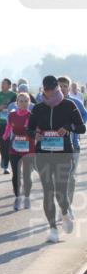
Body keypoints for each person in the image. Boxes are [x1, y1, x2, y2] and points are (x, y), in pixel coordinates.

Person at [29, 75, 85, 243]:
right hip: (43, 155)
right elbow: (29, 129)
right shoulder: (38, 108)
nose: (52, 94)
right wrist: (35, 135)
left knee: (61, 191)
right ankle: (53, 228)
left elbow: (81, 128)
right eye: (48, 91)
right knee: (48, 191)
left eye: (54, 91)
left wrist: (67, 127)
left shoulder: (69, 105)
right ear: (44, 91)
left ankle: (65, 212)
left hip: (63, 154)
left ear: (58, 89)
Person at [57, 76, 86, 208]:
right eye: (60, 86)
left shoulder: (76, 102)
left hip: (73, 145)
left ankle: (68, 204)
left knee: (70, 176)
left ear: (69, 87)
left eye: (64, 86)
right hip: (55, 146)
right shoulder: (51, 103)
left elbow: (84, 117)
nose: (62, 88)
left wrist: (72, 127)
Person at [4, 92, 35, 210]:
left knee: (27, 175)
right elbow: (8, 127)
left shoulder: (32, 116)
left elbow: (36, 129)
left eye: (26, 101)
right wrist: (5, 136)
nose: (23, 103)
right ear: (16, 103)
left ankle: (26, 197)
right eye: (21, 101)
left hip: (29, 148)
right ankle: (18, 198)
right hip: (15, 148)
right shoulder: (12, 115)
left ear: (29, 103)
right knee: (16, 174)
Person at [0, 79, 17, 172]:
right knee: (2, 144)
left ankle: (7, 163)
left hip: (11, 124)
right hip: (0, 123)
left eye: (4, 84)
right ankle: (4, 159)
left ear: (9, 86)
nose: (2, 85)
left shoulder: (14, 95)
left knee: (9, 144)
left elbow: (18, 106)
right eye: (1, 83)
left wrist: (8, 108)